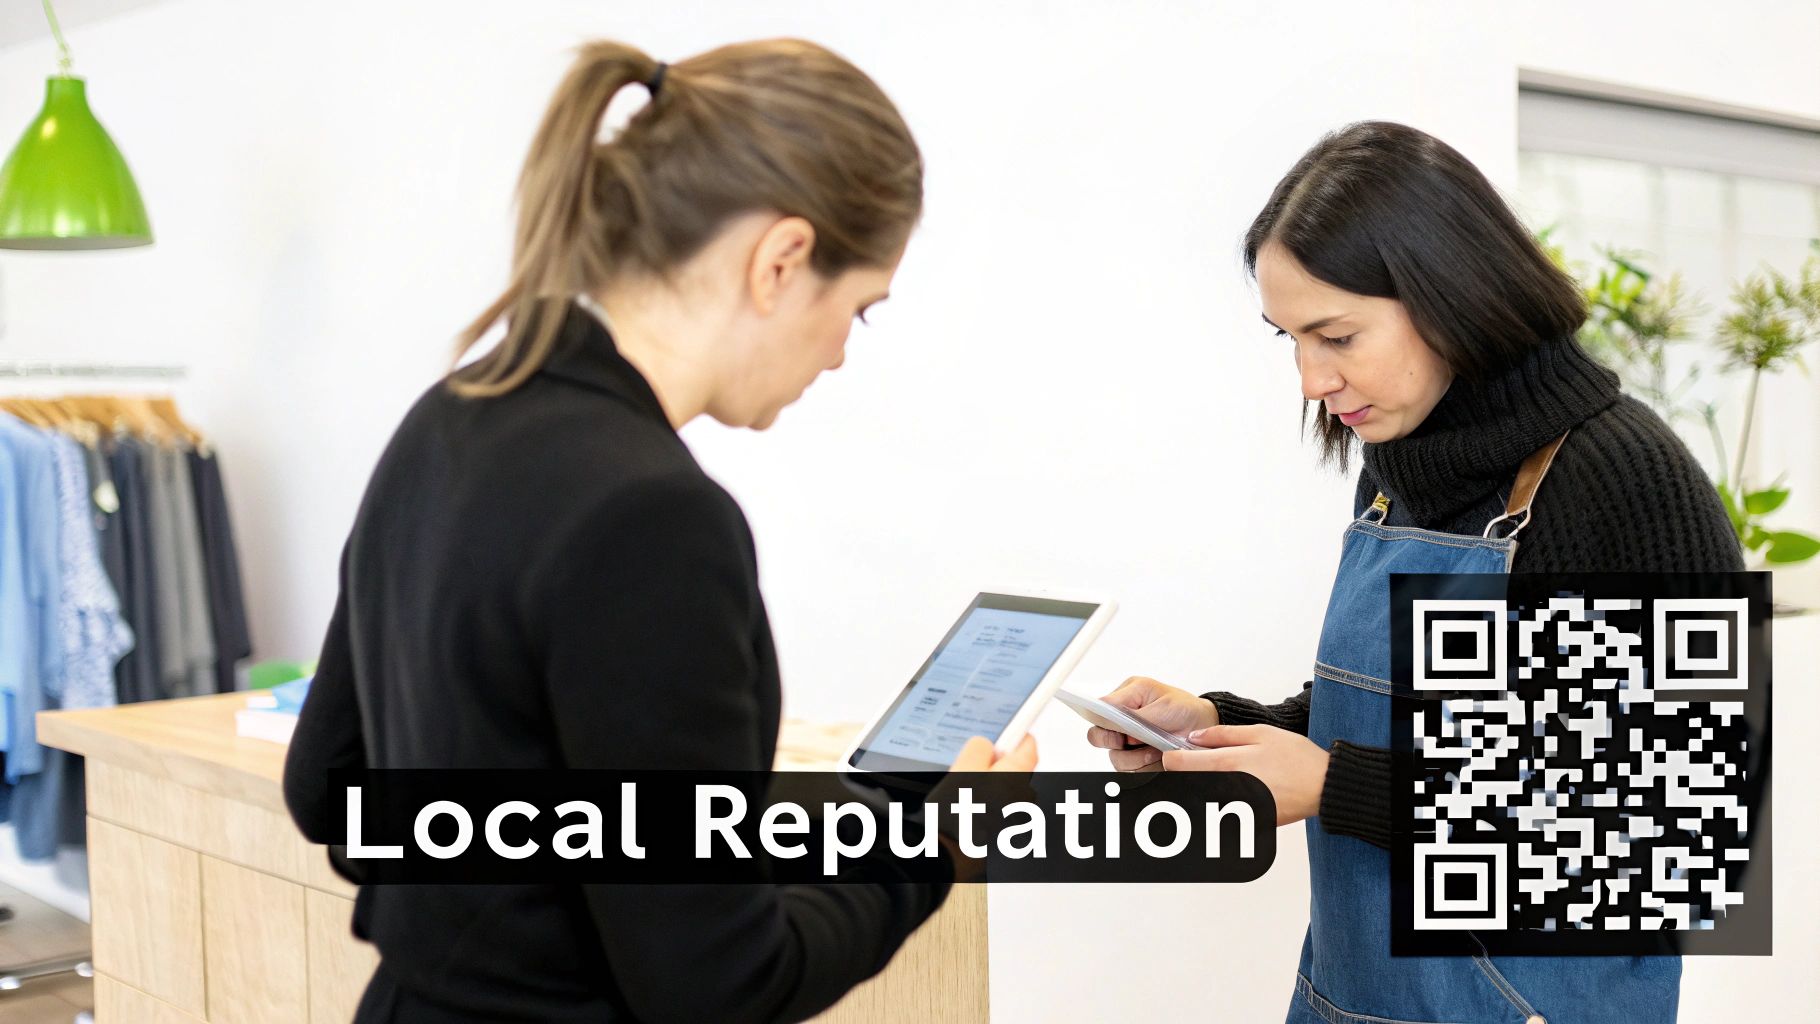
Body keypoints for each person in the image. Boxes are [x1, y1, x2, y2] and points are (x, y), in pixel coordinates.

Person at [282, 38, 1035, 1024]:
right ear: (780, 260)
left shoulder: (452, 412)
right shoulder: (654, 517)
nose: (842, 353)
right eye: (859, 309)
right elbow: (719, 985)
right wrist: (930, 853)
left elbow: (330, 790)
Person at [1088, 122, 1740, 1023]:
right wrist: (1222, 730)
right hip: (1351, 998)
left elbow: (1671, 845)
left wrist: (1330, 788)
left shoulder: (1620, 481)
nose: (1312, 380)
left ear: (1452, 295)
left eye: (1338, 335)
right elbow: (1414, 715)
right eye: (1290, 338)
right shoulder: (1403, 465)